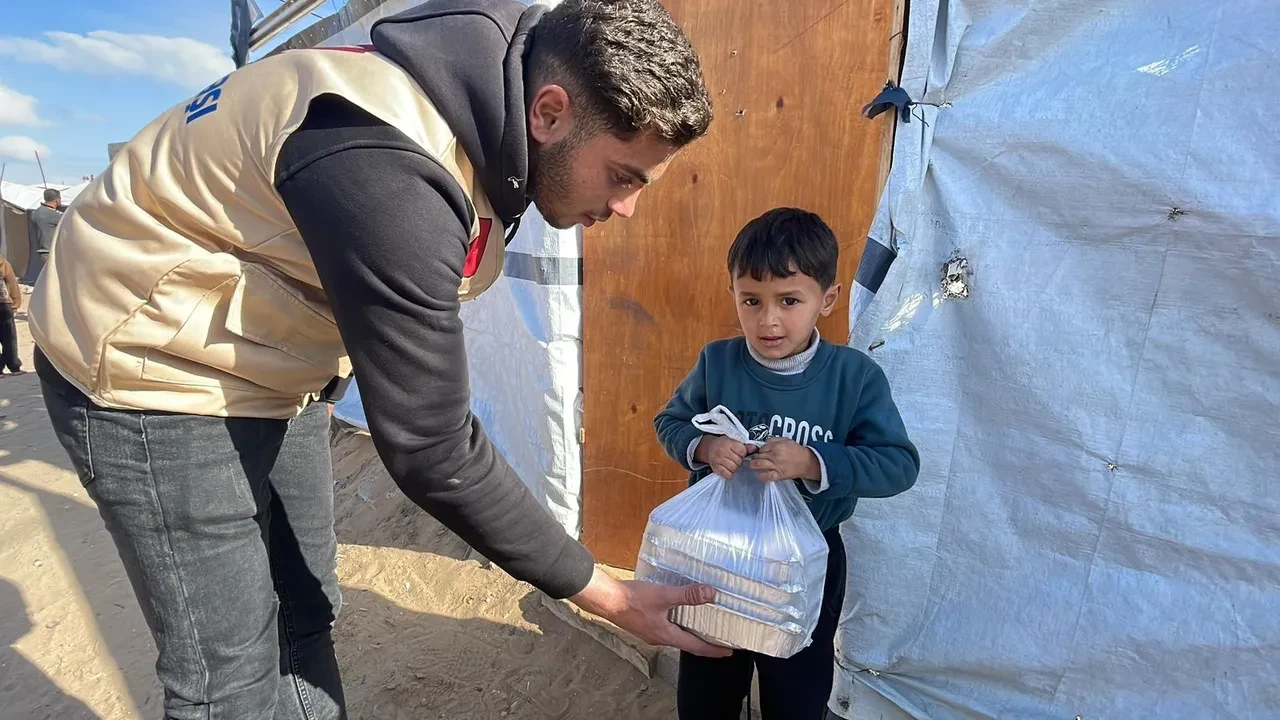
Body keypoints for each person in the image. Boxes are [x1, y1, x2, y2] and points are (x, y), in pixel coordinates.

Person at [28, 1, 725, 718]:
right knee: (228, 677)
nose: (625, 208)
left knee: (305, 609)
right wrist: (605, 593)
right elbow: (431, 445)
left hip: (273, 361)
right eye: (622, 176)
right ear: (549, 112)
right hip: (153, 365)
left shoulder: (479, 113)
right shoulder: (386, 160)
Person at [654, 208, 921, 720]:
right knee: (708, 686)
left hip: (807, 563)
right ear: (733, 293)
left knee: (796, 692)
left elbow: (898, 465)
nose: (768, 320)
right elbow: (670, 422)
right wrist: (704, 447)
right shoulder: (717, 362)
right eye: (751, 300)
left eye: (789, 301)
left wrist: (813, 461)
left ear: (828, 299)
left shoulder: (855, 377)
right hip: (719, 557)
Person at [24, 188, 61, 285]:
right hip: (52, 252)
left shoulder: (35, 213)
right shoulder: (54, 214)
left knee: (49, 280)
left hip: (42, 252)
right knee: (57, 281)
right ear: (57, 200)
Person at [0, 253, 22, 376]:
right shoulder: (3, 262)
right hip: (4, 304)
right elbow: (12, 283)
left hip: (4, 305)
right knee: (9, 338)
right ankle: (14, 366)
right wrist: (15, 303)